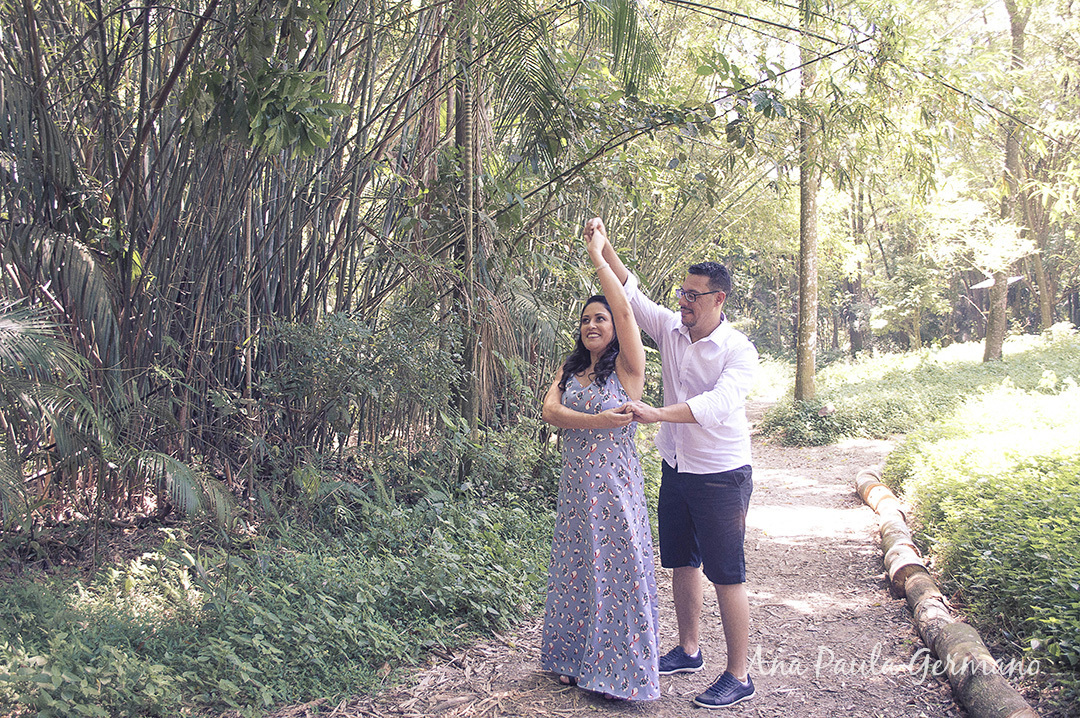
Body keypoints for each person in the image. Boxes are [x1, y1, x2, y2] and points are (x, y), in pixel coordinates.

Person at [593, 218, 758, 709]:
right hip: (677, 468)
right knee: (682, 561)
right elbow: (629, 292)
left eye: (693, 295)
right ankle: (689, 650)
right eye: (682, 293)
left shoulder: (738, 350)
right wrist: (604, 247)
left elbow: (716, 406)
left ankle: (739, 675)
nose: (684, 301)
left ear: (719, 299)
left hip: (721, 474)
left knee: (726, 573)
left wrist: (655, 414)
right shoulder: (670, 328)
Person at [539, 218, 660, 701]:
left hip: (613, 489)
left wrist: (599, 255)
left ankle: (620, 674)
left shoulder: (628, 370)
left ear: (614, 329)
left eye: (600, 319)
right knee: (577, 570)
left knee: (618, 570)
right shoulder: (571, 368)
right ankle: (575, 659)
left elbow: (627, 311)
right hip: (576, 490)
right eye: (586, 319)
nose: (592, 324)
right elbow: (550, 411)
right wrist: (596, 421)